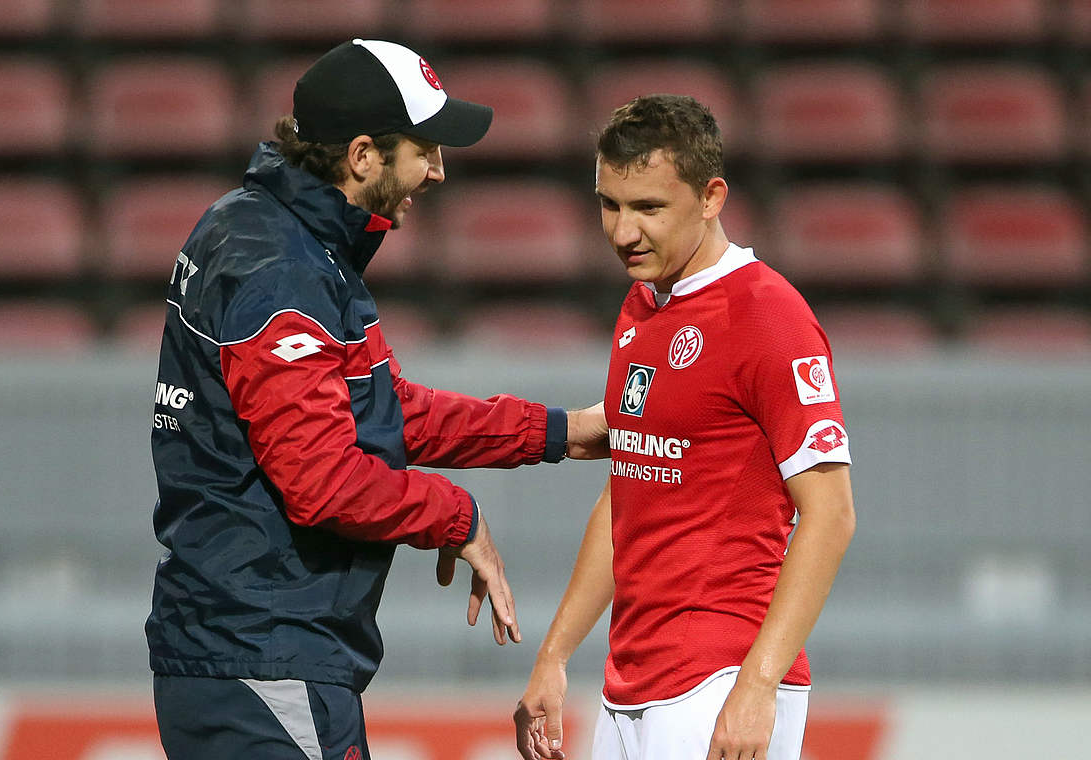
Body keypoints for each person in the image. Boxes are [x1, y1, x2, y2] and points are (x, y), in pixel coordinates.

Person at [146, 39, 606, 759]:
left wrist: (559, 432)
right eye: (425, 150)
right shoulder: (283, 269)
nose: (439, 170)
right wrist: (457, 516)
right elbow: (320, 481)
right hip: (263, 654)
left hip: (253, 653)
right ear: (363, 155)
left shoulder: (276, 236)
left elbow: (387, 412)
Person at [514, 94, 857, 760]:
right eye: (609, 204)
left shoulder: (767, 316)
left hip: (721, 680)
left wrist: (757, 685)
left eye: (648, 208)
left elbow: (832, 513)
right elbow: (631, 490)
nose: (622, 232)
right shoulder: (642, 304)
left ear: (711, 197)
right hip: (631, 682)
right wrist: (554, 656)